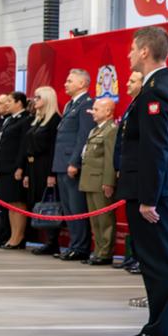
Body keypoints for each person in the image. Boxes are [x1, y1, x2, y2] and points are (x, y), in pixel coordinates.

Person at [118, 26, 168, 336]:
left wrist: (148, 198)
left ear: (145, 51)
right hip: (156, 188)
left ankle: (160, 331)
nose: (129, 54)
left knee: (158, 260)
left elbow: (154, 149)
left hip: (154, 192)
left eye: (133, 49)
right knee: (157, 259)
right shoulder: (160, 86)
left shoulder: (156, 91)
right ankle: (159, 326)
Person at [51, 69, 97, 261]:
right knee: (68, 207)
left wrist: (74, 161)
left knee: (77, 207)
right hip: (61, 162)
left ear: (82, 84)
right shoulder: (72, 104)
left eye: (70, 81)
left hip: (71, 163)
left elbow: (83, 136)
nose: (65, 84)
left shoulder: (86, 104)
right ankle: (73, 244)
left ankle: (80, 247)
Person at [79, 97, 120, 266]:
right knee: (95, 219)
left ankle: (105, 253)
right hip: (90, 179)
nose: (92, 112)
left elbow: (111, 158)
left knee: (105, 218)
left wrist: (109, 182)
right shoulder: (96, 130)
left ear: (108, 112)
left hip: (101, 180)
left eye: (96, 109)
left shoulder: (111, 130)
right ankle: (98, 250)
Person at [23, 86, 62, 253]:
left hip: (46, 166)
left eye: (38, 97)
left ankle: (53, 241)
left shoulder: (54, 120)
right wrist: (26, 172)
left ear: (47, 99)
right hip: (33, 166)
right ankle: (48, 240)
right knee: (38, 201)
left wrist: (52, 173)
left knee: (48, 203)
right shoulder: (38, 119)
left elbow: (54, 148)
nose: (34, 100)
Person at [0, 92, 31, 250]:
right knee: (10, 203)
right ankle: (12, 236)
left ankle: (19, 237)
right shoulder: (9, 120)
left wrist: (20, 167)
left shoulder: (25, 119)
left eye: (9, 101)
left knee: (18, 203)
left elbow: (23, 145)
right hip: (5, 167)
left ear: (19, 103)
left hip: (15, 167)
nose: (6, 104)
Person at [120, 70, 145, 278]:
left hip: (141, 174)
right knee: (134, 223)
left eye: (133, 80)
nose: (127, 83)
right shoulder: (133, 106)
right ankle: (135, 257)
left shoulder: (143, 105)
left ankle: (142, 260)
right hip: (129, 171)